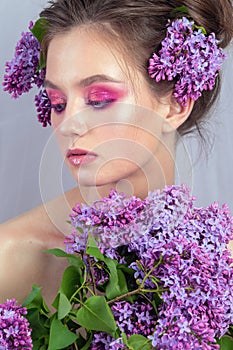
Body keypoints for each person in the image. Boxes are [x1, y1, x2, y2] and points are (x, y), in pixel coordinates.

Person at [0, 0, 232, 307]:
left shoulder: (219, 267)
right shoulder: (11, 257)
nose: (69, 124)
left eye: (98, 100)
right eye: (57, 102)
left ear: (177, 104)